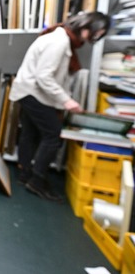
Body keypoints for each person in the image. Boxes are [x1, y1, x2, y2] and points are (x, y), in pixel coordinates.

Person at [8, 11, 111, 202]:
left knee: (30, 133)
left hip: (27, 90)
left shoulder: (61, 36)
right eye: (97, 32)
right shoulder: (60, 42)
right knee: (53, 135)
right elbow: (43, 77)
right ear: (87, 27)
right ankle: (36, 180)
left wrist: (64, 98)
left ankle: (25, 175)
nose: (95, 37)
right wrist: (66, 100)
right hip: (32, 92)